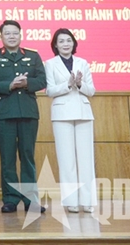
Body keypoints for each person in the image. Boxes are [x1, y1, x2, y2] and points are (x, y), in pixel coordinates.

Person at [0, 20, 46, 214]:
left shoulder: (33, 55)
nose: (11, 36)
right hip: (4, 113)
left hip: (28, 111)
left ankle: (30, 200)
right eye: (7, 33)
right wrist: (9, 85)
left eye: (15, 33)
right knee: (7, 158)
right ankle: (10, 199)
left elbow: (42, 80)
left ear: (20, 35)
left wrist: (26, 83)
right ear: (0, 36)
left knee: (27, 156)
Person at [45, 28, 97, 214]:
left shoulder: (82, 62)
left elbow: (91, 91)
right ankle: (71, 201)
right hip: (61, 114)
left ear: (74, 43)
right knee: (66, 160)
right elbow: (49, 91)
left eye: (68, 40)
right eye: (61, 41)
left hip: (83, 112)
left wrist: (80, 84)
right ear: (55, 45)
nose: (65, 44)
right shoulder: (49, 64)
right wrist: (67, 84)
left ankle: (88, 201)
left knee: (86, 159)